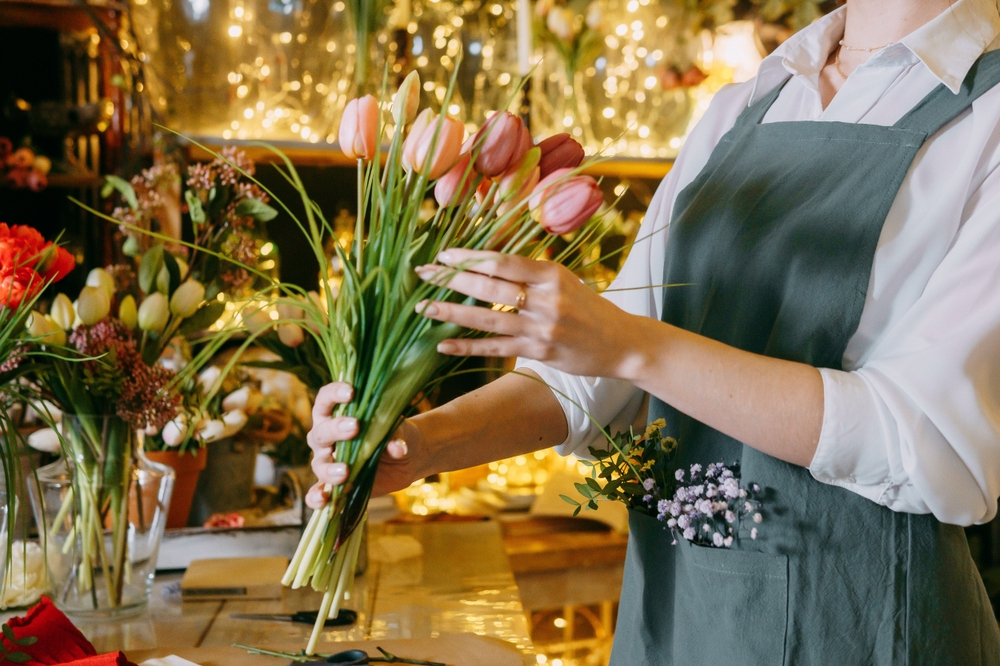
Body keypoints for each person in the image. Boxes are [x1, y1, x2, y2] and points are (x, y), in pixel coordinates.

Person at [306, 0, 1000, 662]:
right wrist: (421, 447)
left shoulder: (989, 118)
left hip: (861, 628)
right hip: (678, 614)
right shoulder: (746, 103)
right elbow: (593, 378)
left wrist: (632, 345)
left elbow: (935, 447)